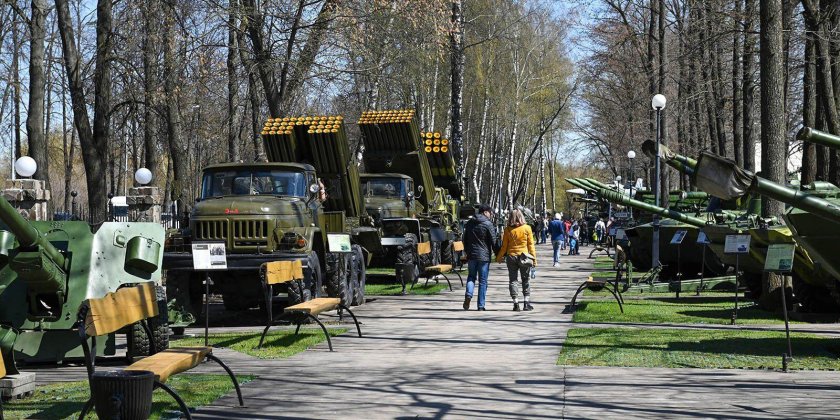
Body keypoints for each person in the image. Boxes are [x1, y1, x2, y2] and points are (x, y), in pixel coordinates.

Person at [496, 209, 536, 311]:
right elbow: (531, 245)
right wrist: (534, 259)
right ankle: (526, 303)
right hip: (524, 257)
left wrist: (499, 257)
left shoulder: (507, 230)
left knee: (513, 280)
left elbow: (504, 246)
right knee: (525, 279)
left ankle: (516, 303)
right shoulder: (527, 228)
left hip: (511, 256)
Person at [462, 204, 497, 311]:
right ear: (485, 212)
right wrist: (499, 254)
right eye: (490, 213)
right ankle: (481, 306)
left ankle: (469, 294)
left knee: (471, 277)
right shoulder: (488, 224)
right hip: (484, 257)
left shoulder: (469, 223)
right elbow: (493, 241)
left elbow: (465, 239)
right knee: (483, 281)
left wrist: (467, 252)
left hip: (472, 255)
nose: (491, 215)